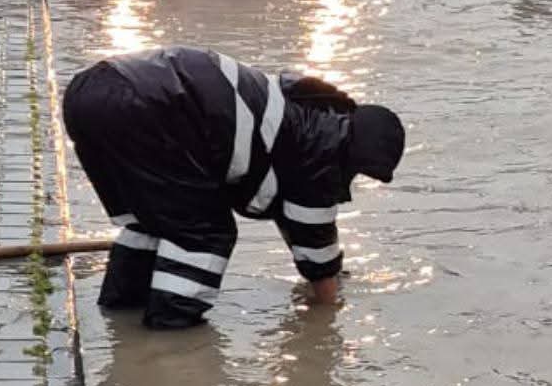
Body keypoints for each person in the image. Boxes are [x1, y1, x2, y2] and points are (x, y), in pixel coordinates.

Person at [62, 46, 406, 329]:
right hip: (147, 106)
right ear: (355, 154)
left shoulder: (302, 115)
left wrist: (325, 269)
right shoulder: (322, 151)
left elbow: (294, 218)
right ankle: (169, 337)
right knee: (204, 234)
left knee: (151, 222)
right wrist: (329, 311)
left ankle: (121, 316)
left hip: (88, 92)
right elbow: (312, 233)